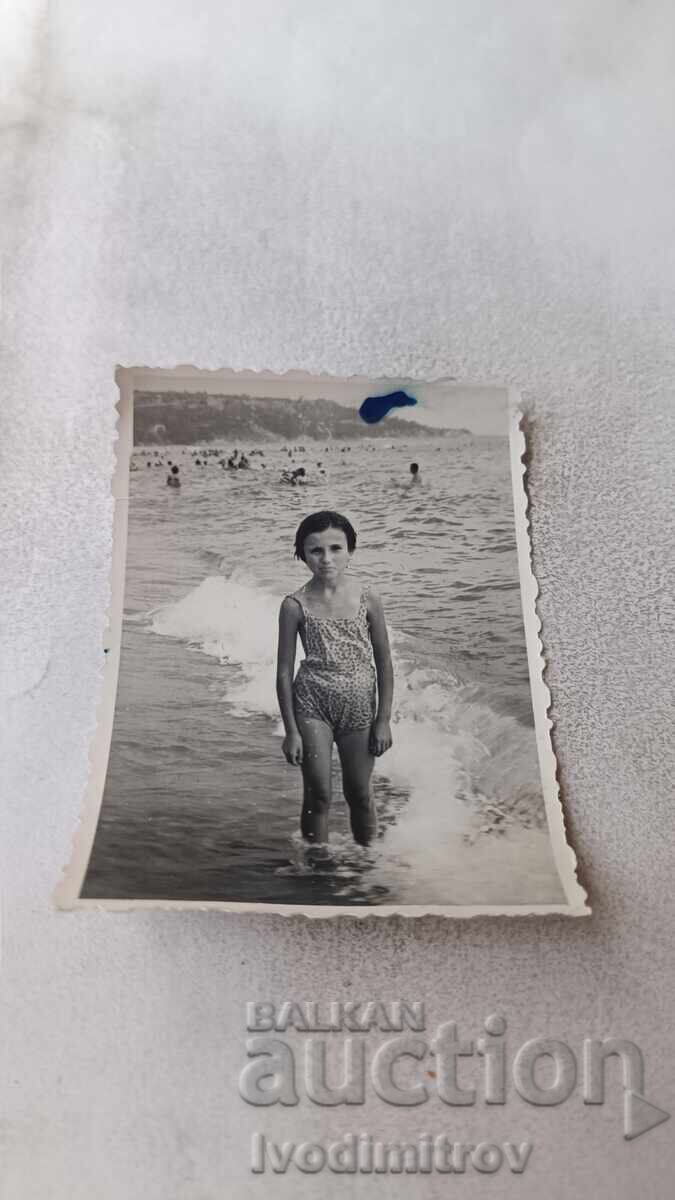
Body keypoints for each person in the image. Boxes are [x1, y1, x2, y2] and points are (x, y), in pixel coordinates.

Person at [276, 511, 393, 847]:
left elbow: (384, 662)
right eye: (315, 550)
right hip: (312, 706)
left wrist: (383, 720)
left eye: (335, 548)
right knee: (319, 793)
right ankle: (318, 865)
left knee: (358, 792)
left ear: (350, 551)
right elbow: (284, 671)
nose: (326, 558)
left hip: (358, 707)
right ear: (301, 554)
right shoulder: (294, 605)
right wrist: (291, 732)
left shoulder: (367, 598)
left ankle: (368, 861)